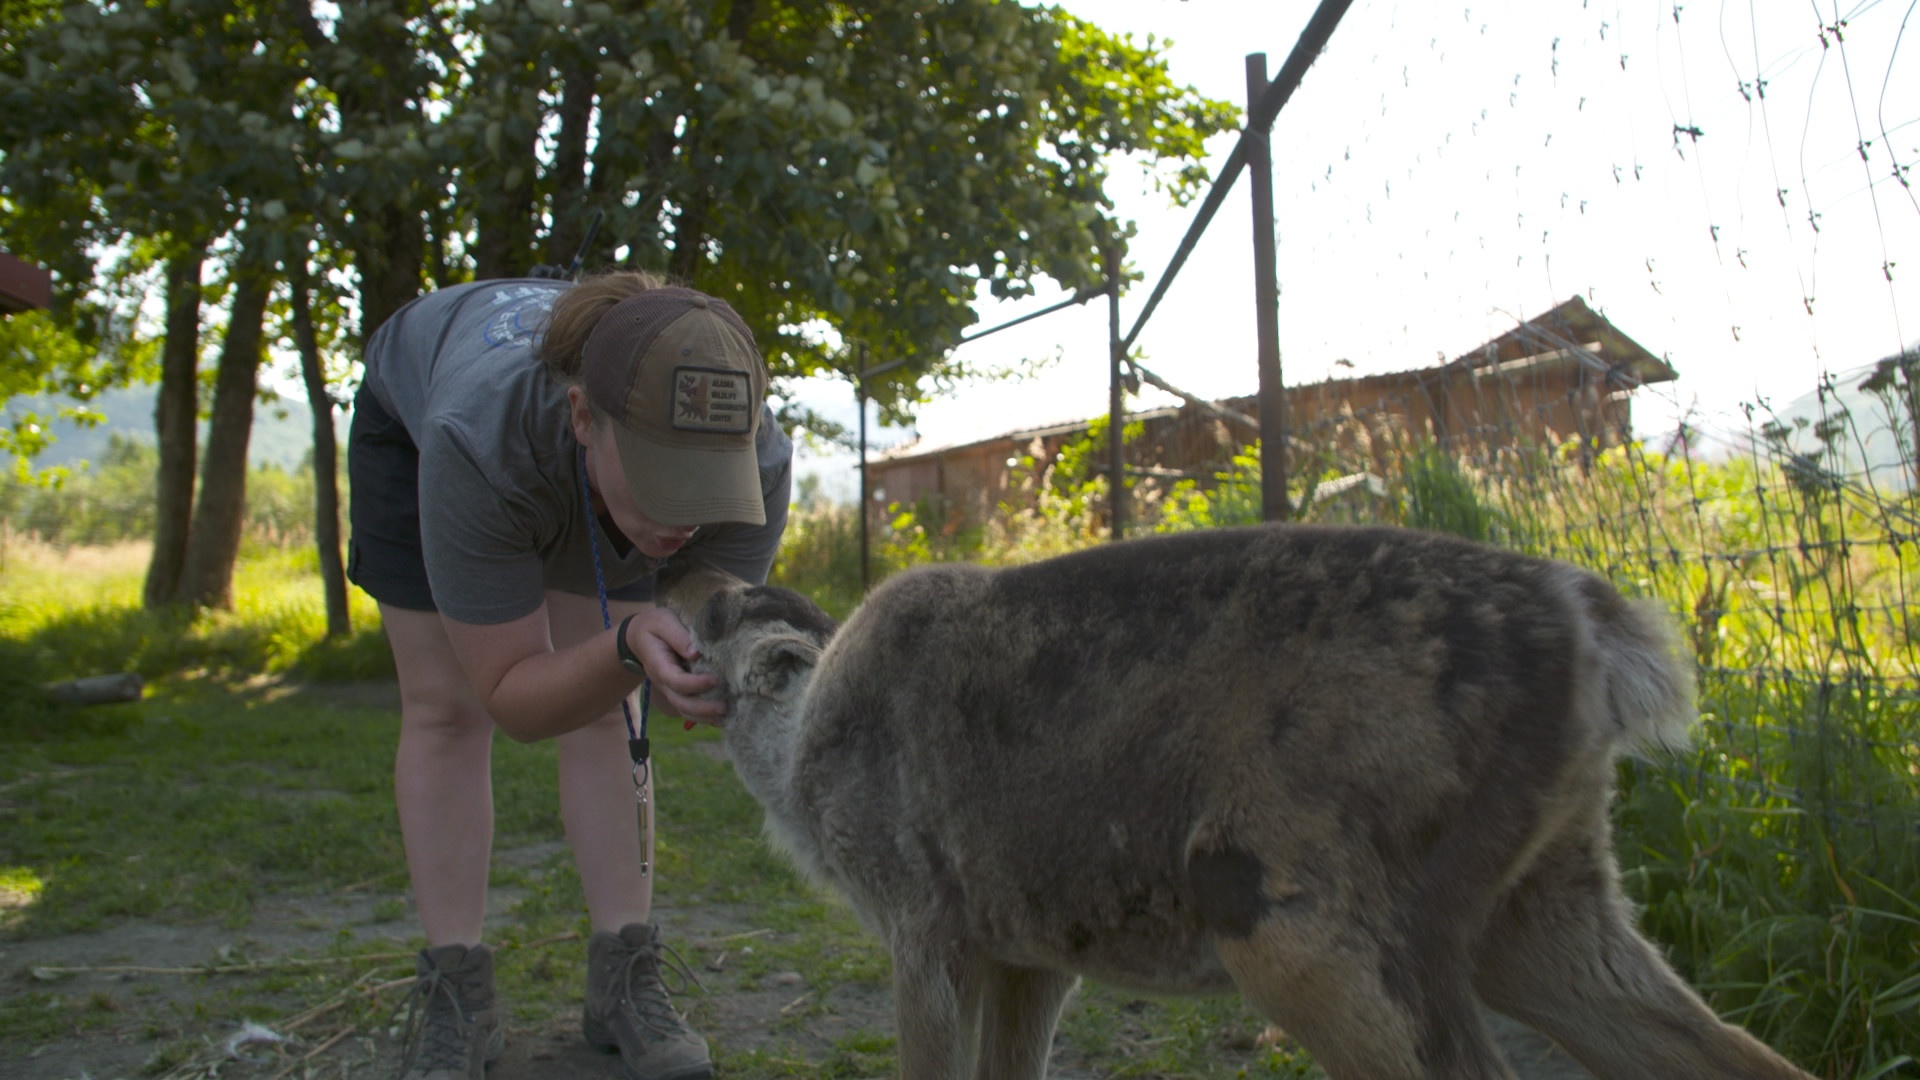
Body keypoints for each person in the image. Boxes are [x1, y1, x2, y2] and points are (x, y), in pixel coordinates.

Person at [346, 270, 791, 1080]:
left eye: (704, 483)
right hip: (424, 431)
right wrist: (627, 643)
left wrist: (673, 667)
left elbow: (683, 645)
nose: (682, 518)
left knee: (608, 708)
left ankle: (624, 975)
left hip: (553, 449)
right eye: (662, 478)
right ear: (585, 416)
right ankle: (455, 989)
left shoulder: (759, 457)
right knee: (448, 708)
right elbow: (514, 696)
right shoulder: (481, 440)